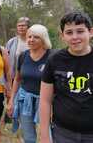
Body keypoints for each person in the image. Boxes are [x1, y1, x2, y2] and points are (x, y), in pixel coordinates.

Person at [40, 11, 93, 143]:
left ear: (90, 32)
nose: (75, 37)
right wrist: (45, 136)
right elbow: (45, 100)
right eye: (69, 32)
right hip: (63, 133)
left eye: (80, 31)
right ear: (62, 36)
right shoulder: (54, 61)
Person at [7, 24, 52, 143]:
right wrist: (11, 100)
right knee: (28, 137)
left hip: (45, 102)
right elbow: (17, 79)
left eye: (36, 37)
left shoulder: (52, 57)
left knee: (47, 135)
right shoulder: (23, 56)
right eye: (29, 36)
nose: (31, 40)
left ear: (43, 39)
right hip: (25, 100)